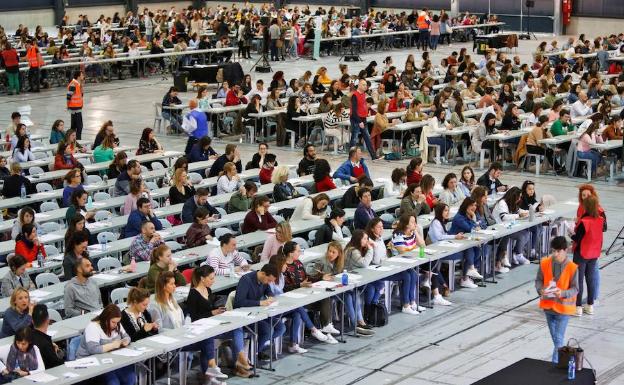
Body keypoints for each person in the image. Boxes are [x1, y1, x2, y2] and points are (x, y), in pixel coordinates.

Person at [187, 266, 250, 378]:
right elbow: (194, 317)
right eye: (211, 279)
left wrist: (219, 311)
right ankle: (209, 371)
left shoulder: (208, 290)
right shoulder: (193, 294)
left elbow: (211, 308)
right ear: (202, 278)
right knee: (208, 337)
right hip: (202, 328)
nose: (213, 281)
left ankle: (240, 359)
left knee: (237, 328)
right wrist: (212, 313)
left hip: (214, 325)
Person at [271, 244, 335, 351]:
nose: (300, 253)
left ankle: (324, 327)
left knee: (325, 297)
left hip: (302, 296)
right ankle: (315, 329)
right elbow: (285, 290)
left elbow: (306, 279)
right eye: (298, 251)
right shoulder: (281, 270)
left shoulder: (298, 263)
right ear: (291, 253)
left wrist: (320, 277)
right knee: (299, 308)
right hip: (290, 301)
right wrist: (299, 285)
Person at [535, 236, 578, 363]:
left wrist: (563, 293)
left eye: (558, 251)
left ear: (565, 250)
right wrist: (540, 289)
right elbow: (538, 280)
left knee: (558, 339)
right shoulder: (544, 263)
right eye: (553, 250)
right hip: (548, 308)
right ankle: (566, 361)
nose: (555, 254)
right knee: (556, 340)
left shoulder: (572, 267)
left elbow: (576, 289)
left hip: (563, 309)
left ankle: (555, 365)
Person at [394, 213, 451, 305]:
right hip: (404, 263)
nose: (415, 224)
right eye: (412, 222)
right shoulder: (398, 235)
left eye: (415, 222)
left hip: (414, 261)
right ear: (406, 224)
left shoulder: (411, 233)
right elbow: (403, 253)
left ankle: (434, 291)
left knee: (433, 261)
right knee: (432, 267)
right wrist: (416, 254)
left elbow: (423, 245)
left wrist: (416, 232)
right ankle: (433, 292)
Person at [233, 263, 286, 359]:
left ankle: (256, 350)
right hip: (245, 316)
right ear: (263, 273)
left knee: (281, 327)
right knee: (268, 330)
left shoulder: (264, 281)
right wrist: (260, 303)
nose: (268, 283)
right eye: (269, 280)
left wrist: (271, 296)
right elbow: (239, 302)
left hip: (258, 313)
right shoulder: (246, 280)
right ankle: (251, 354)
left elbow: (268, 291)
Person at [77, 304, 134, 385]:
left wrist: (125, 341)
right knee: (113, 382)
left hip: (110, 360)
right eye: (113, 322)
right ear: (105, 318)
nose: (115, 325)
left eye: (117, 322)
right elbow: (93, 349)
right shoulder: (93, 327)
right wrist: (113, 345)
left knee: (130, 378)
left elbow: (127, 336)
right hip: (92, 363)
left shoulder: (116, 323)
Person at [571, 196, 603, 316]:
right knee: (590, 280)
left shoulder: (584, 222)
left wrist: (570, 233)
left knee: (578, 281)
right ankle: (590, 305)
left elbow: (577, 238)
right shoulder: (600, 220)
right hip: (594, 254)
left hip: (581, 254)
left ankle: (578, 307)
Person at [449, 198, 485, 287]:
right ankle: (466, 276)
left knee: (478, 249)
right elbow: (470, 229)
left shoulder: (471, 215)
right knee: (470, 249)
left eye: (475, 205)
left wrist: (476, 222)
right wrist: (474, 220)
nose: (474, 207)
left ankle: (469, 274)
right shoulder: (459, 217)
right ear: (466, 206)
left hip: (464, 240)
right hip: (453, 242)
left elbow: (483, 224)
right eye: (472, 205)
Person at [492, 187, 531, 265]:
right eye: (518, 197)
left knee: (526, 234)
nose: (519, 199)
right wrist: (518, 216)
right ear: (513, 196)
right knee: (521, 236)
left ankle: (516, 253)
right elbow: (504, 217)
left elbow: (519, 210)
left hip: (509, 227)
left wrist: (530, 211)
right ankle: (518, 254)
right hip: (500, 228)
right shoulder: (502, 203)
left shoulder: (512, 203)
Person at [30, 304, 65, 369]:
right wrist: (57, 353)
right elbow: (57, 364)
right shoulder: (45, 343)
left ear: (32, 321)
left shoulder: (28, 336)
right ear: (48, 320)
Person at [349, 79, 377, 159]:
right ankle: (351, 157)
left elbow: (362, 106)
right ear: (359, 85)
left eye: (366, 85)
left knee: (367, 137)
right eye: (364, 85)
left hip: (363, 118)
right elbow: (354, 111)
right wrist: (359, 121)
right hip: (356, 119)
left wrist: (366, 113)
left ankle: (374, 156)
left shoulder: (364, 94)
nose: (365, 86)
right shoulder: (355, 95)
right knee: (354, 138)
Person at [67, 71, 85, 139]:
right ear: (78, 76)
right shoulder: (73, 84)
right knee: (79, 126)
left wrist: (82, 86)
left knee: (74, 126)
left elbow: (81, 95)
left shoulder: (78, 84)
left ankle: (73, 140)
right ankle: (78, 141)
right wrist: (68, 106)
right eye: (82, 75)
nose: (83, 76)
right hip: (75, 108)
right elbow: (68, 96)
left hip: (77, 108)